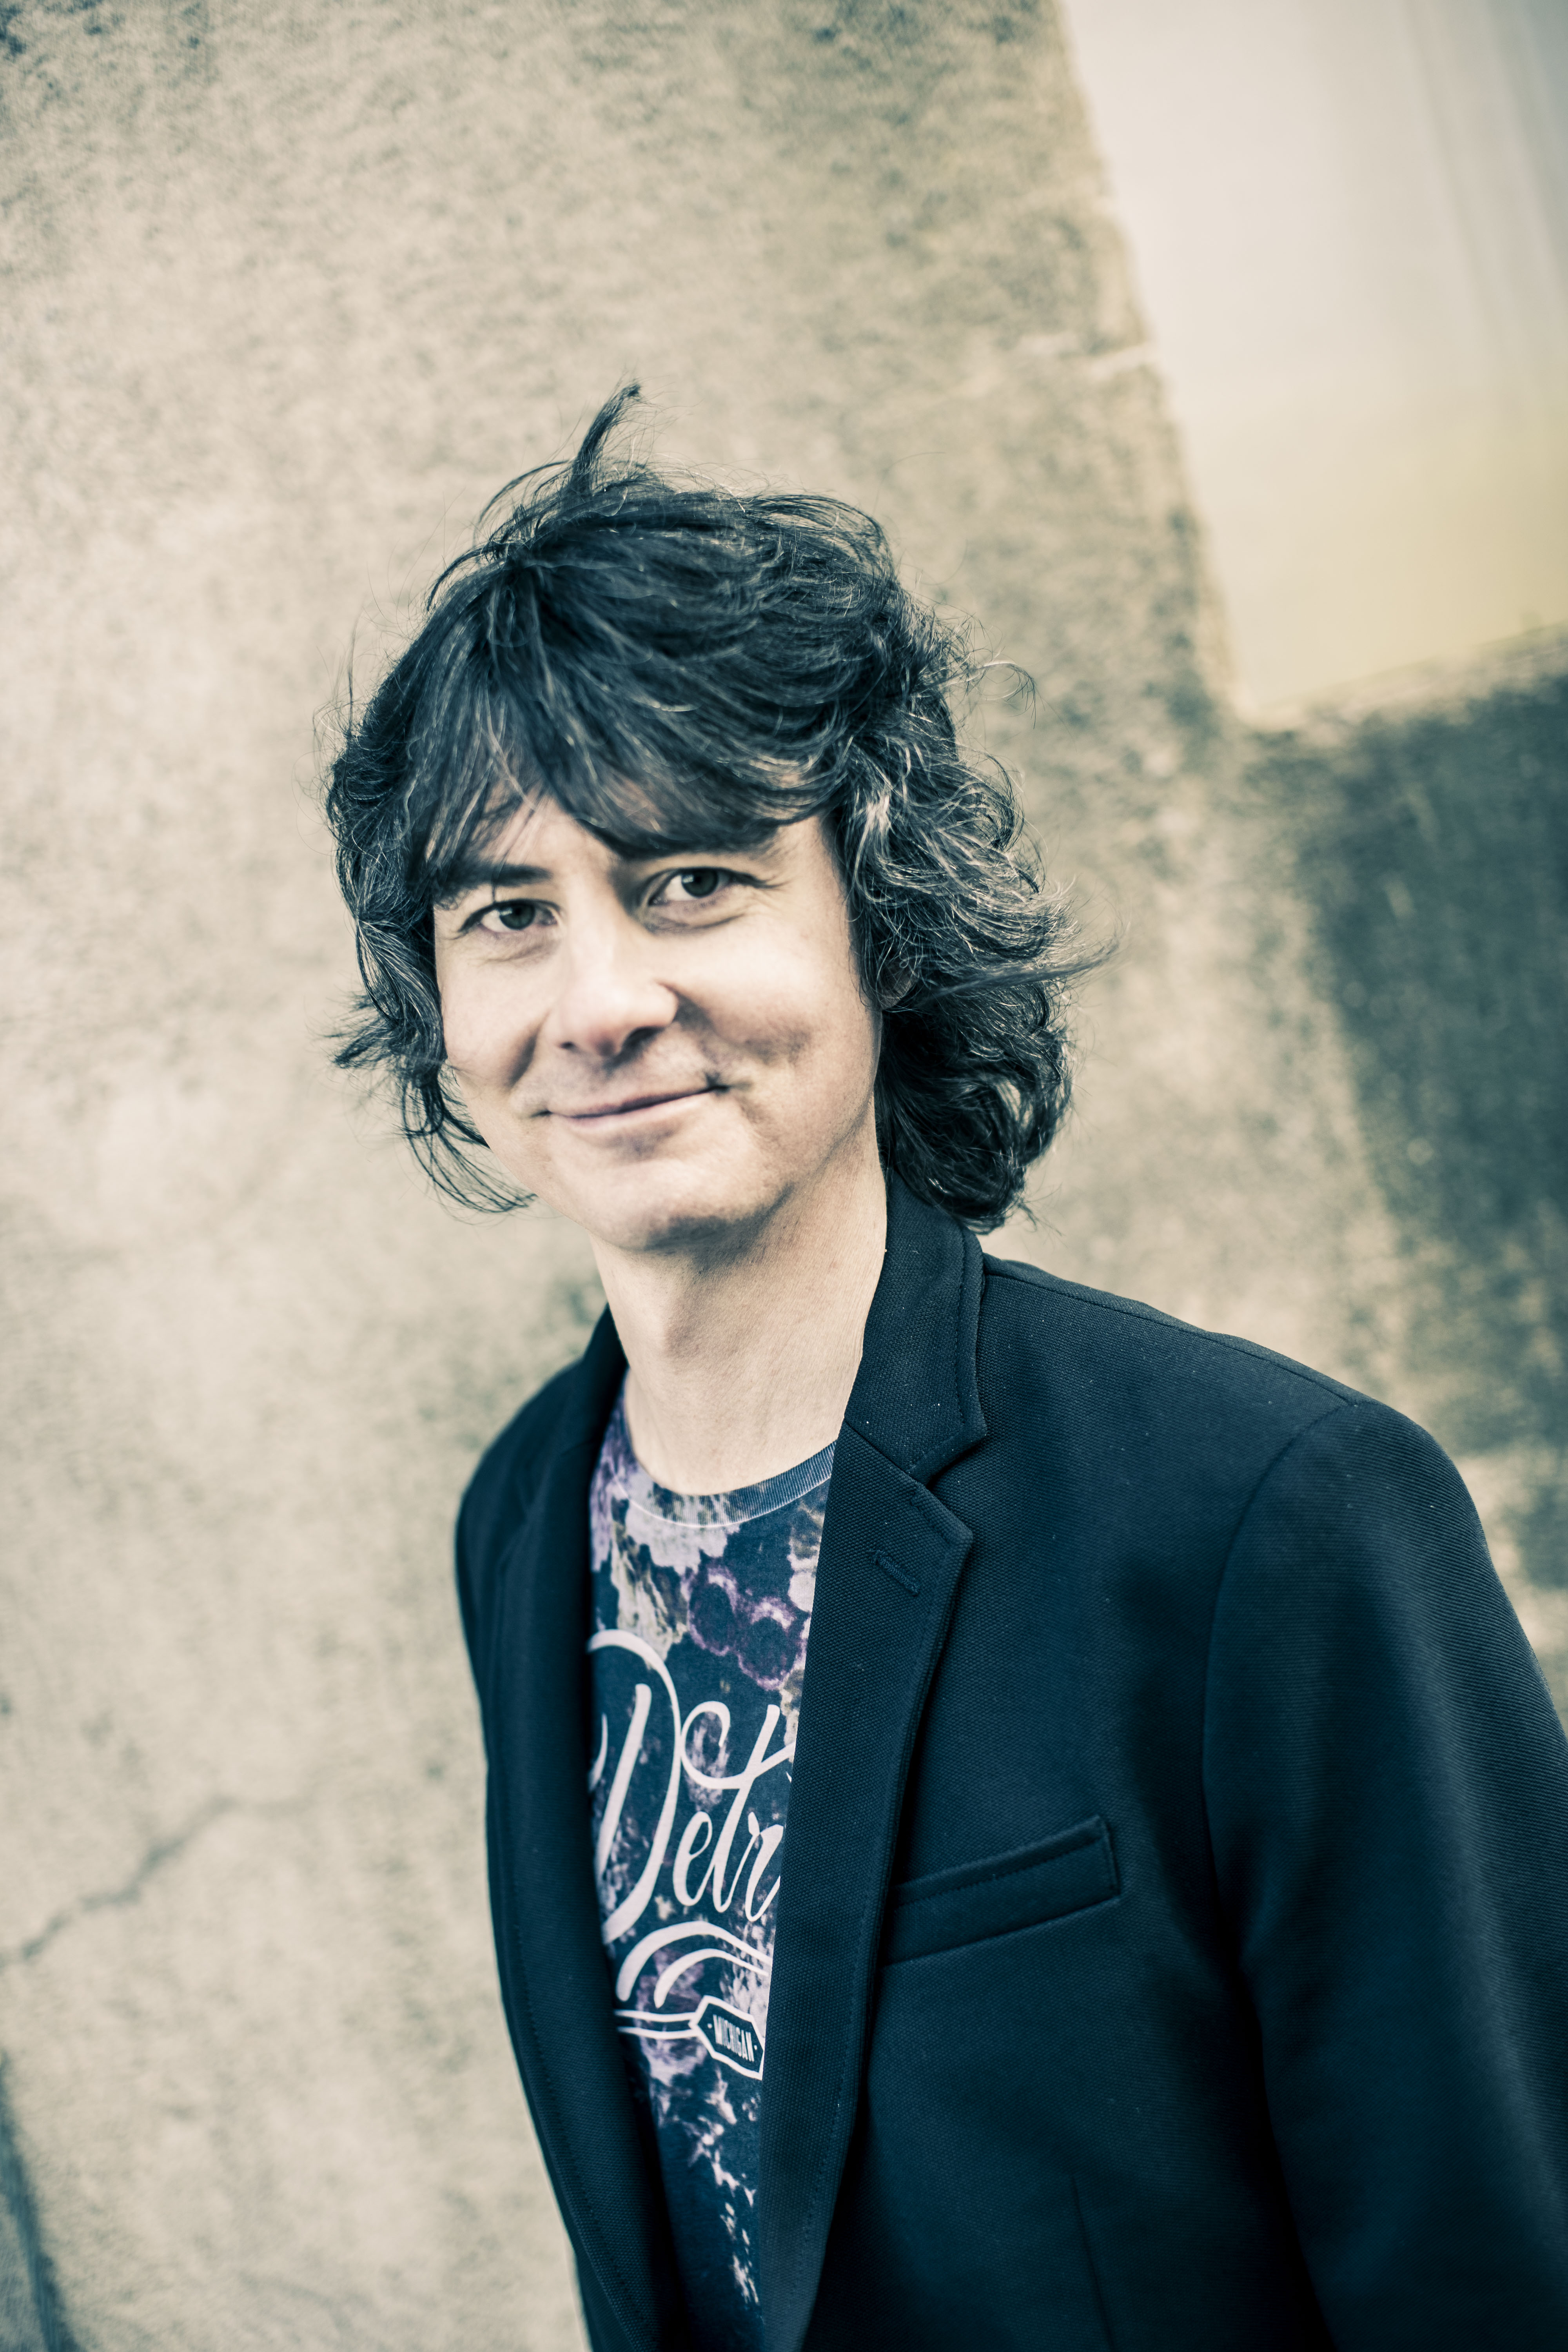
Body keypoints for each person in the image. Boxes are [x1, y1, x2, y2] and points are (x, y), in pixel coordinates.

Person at [324, 390, 1568, 2352]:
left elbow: (1489, 2269)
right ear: (443, 1007)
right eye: (509, 916)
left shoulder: (1272, 1517)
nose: (603, 1000)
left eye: (691, 880)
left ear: (876, 916)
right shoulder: (524, 1522)